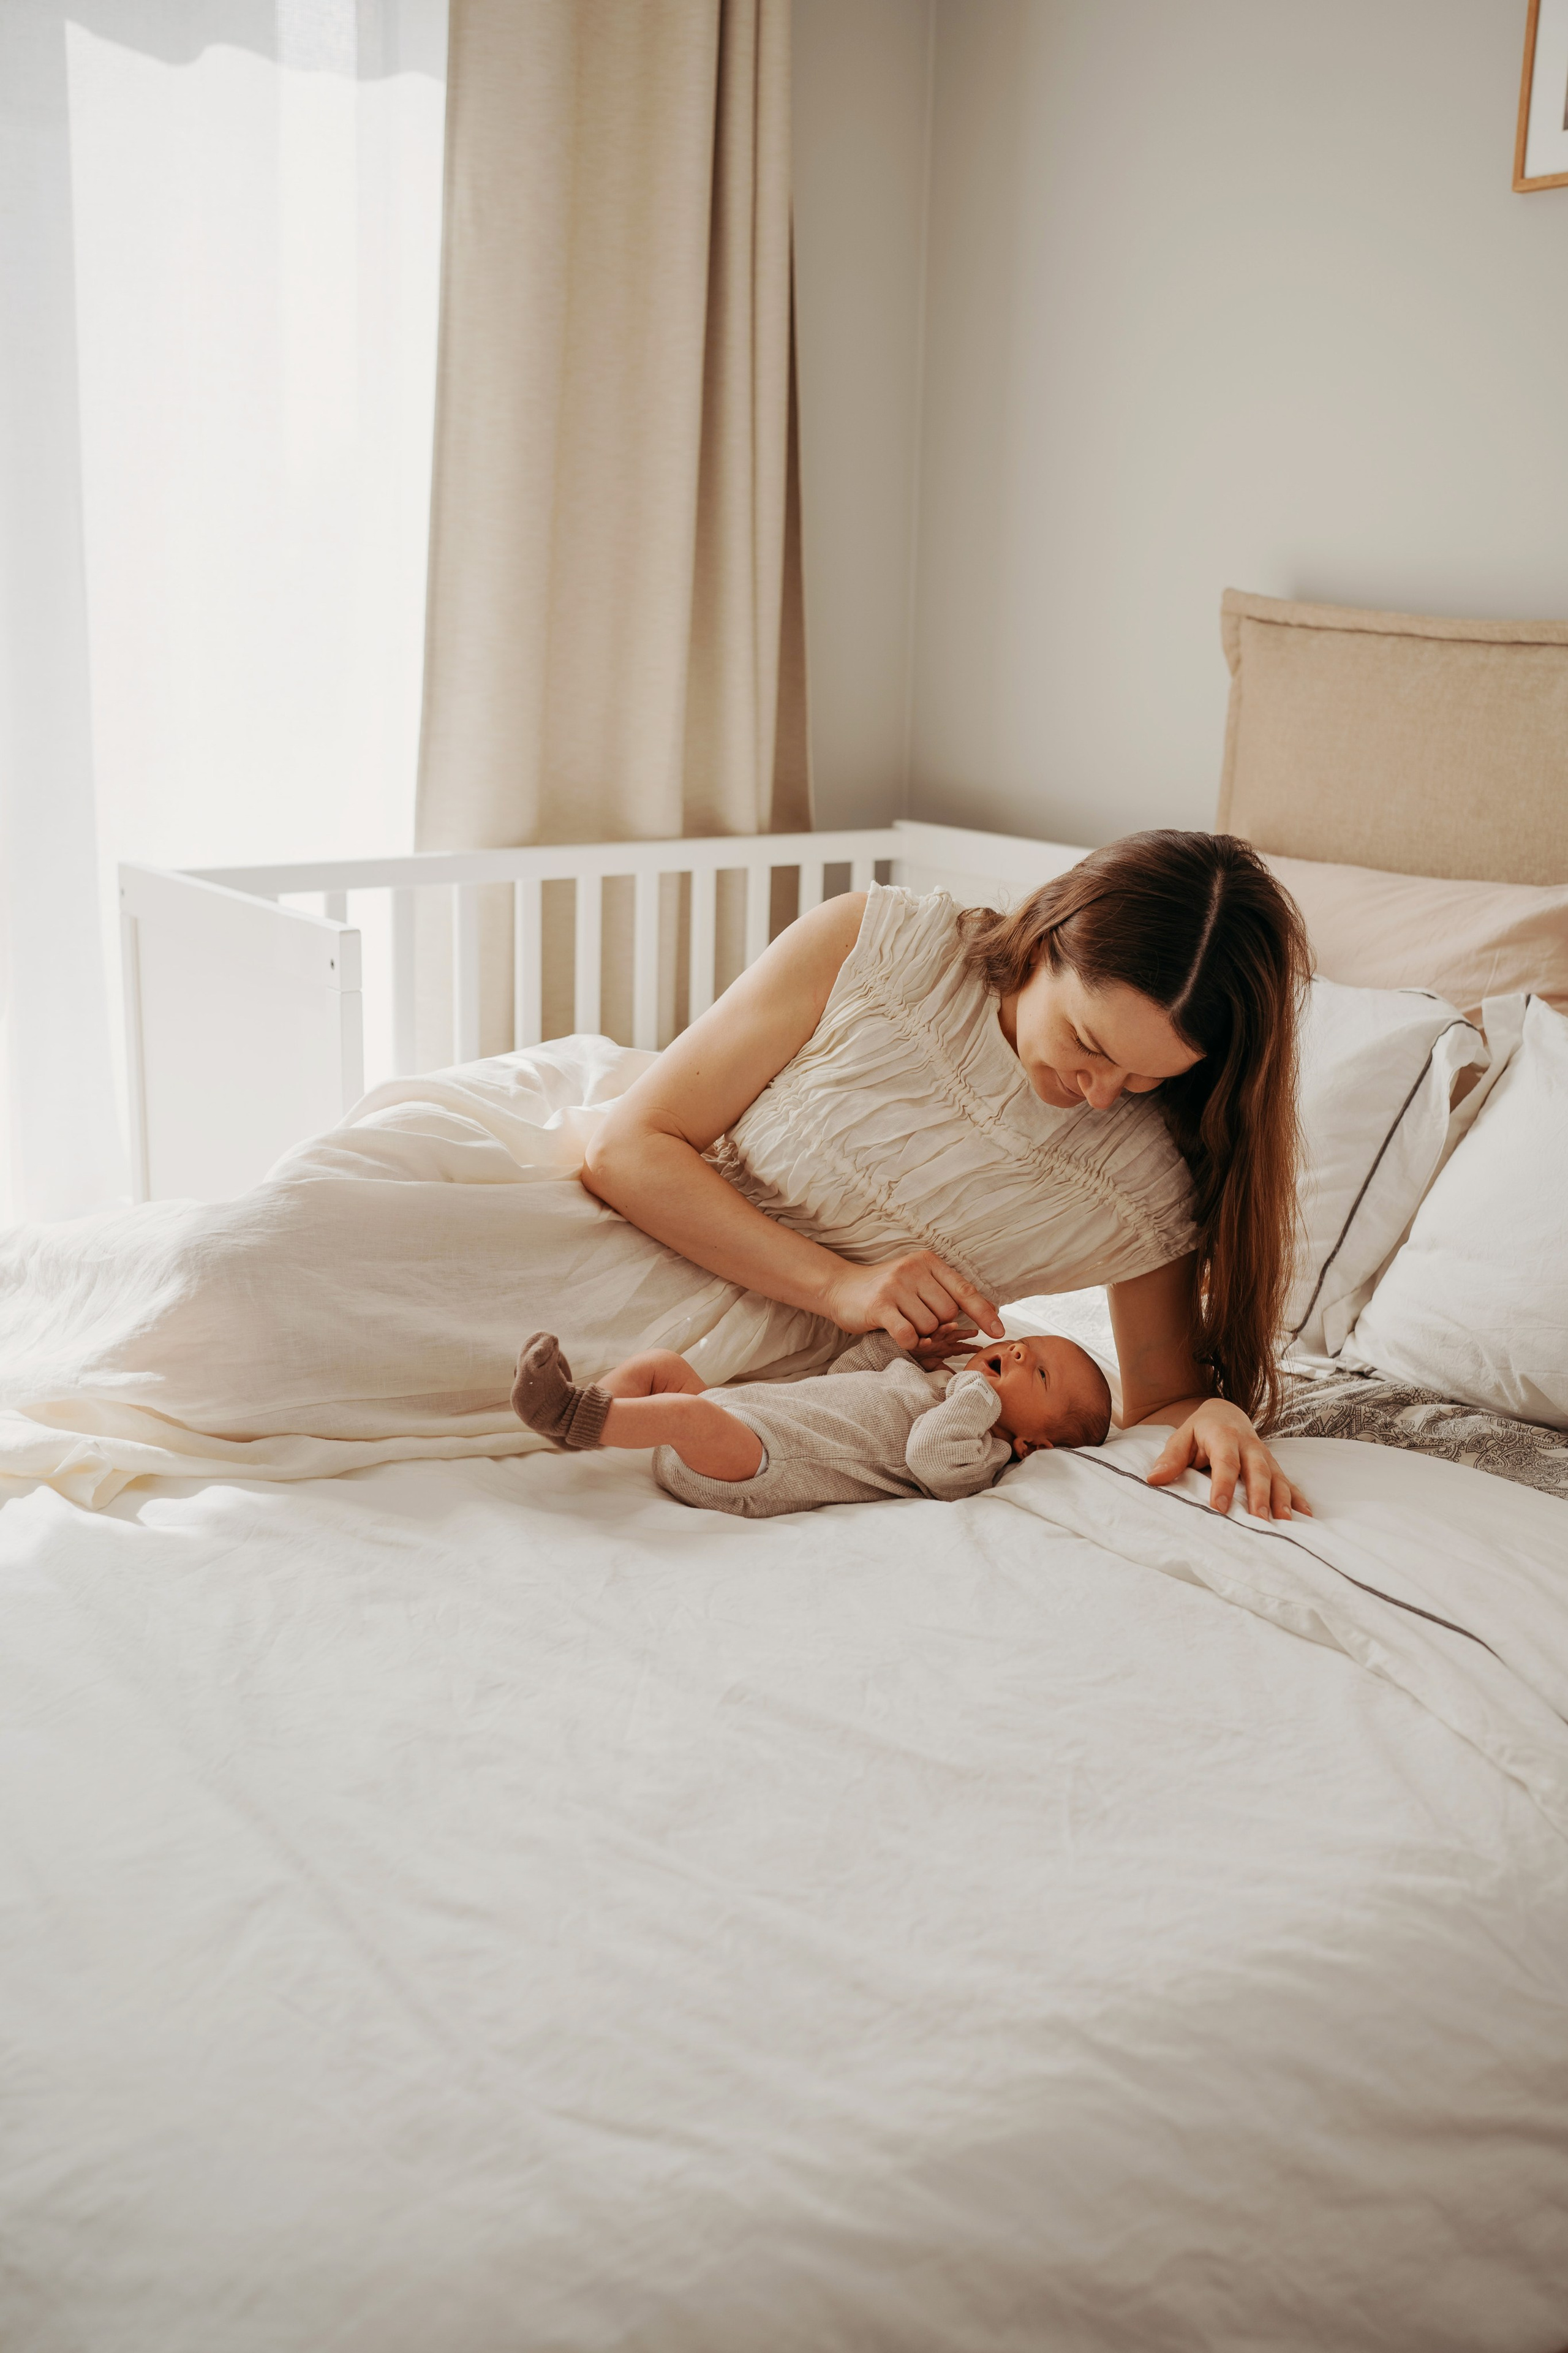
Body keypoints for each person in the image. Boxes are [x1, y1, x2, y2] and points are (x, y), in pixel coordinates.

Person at [0, 828, 1313, 1519]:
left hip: (748, 1339)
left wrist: (1211, 1417)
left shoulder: (1145, 1180)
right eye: (1087, 1044)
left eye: (1143, 1080)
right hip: (630, 1197)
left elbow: (1155, 1398)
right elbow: (629, 1145)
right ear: (1047, 940)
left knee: (274, 1363)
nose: (1098, 1093)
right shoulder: (886, 946)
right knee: (230, 1275)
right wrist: (847, 1285)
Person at [511, 1326, 1114, 1518]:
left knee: (688, 1415)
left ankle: (568, 1412)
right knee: (662, 1368)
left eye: (1037, 1375)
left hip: (757, 1466)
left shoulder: (978, 1452)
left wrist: (974, 1392)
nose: (1016, 1354)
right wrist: (902, 1353)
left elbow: (925, 1455)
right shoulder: (937, 1389)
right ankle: (571, 1423)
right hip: (743, 1419)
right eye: (1024, 1345)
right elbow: (845, 1373)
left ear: (1034, 1442)